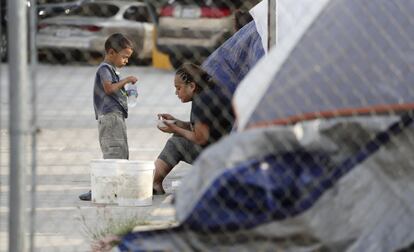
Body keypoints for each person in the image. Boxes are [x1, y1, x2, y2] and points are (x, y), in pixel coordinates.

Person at [153, 63, 235, 195]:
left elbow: (200, 138)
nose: (176, 93)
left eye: (178, 88)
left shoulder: (202, 101)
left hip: (219, 156)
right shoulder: (209, 92)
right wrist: (177, 122)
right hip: (224, 148)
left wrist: (175, 129)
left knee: (176, 142)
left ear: (192, 86)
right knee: (178, 137)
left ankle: (154, 181)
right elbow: (200, 126)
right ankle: (155, 180)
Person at [79, 33, 138, 201]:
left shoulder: (113, 71)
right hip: (110, 117)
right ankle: (99, 189)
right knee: (113, 153)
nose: (126, 61)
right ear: (111, 52)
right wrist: (126, 80)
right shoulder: (105, 69)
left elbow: (115, 90)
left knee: (121, 152)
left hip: (117, 116)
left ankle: (115, 188)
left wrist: (126, 91)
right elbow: (108, 89)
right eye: (124, 57)